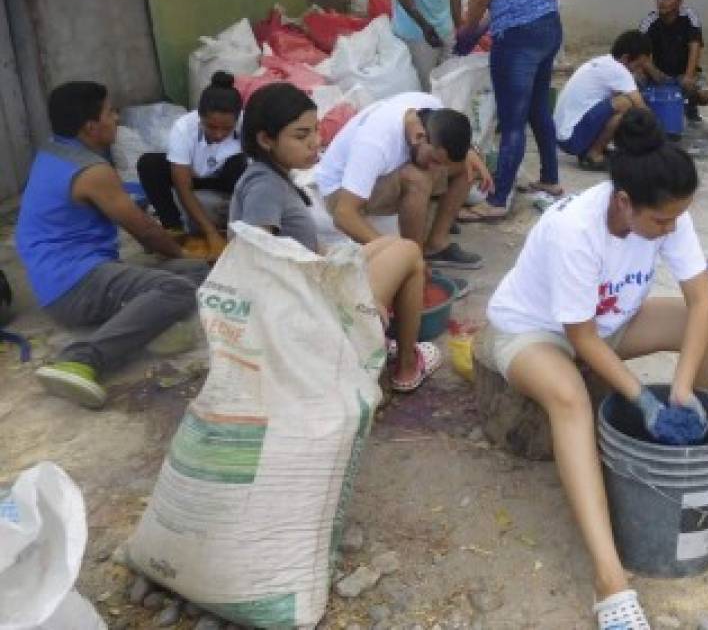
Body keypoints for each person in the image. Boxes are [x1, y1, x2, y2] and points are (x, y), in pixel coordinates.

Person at [477, 109, 708, 629]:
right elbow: (581, 338)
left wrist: (682, 391)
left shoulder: (667, 210)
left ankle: (672, 454)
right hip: (534, 331)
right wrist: (641, 398)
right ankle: (609, 579)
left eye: (677, 218)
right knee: (570, 398)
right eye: (662, 221)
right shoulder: (576, 230)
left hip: (608, 322)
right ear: (623, 203)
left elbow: (701, 302)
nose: (671, 228)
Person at [230, 83, 440, 391]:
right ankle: (406, 366)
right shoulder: (264, 188)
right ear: (265, 139)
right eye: (301, 136)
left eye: (315, 130)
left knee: (391, 246)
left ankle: (395, 348)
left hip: (310, 289)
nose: (316, 142)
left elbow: (295, 248)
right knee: (408, 251)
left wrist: (341, 263)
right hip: (301, 314)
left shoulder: (273, 177)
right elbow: (256, 263)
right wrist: (346, 291)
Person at [16, 81, 208, 409]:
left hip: (58, 278)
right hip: (74, 283)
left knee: (191, 272)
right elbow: (146, 233)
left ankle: (145, 322)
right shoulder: (93, 172)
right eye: (110, 112)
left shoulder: (53, 150)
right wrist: (180, 250)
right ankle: (81, 359)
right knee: (178, 288)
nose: (116, 117)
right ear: (91, 126)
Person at [460, 0, 562, 220]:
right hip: (549, 27)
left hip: (518, 38)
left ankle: (498, 200)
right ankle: (550, 179)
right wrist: (482, 28)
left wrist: (466, 31)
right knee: (538, 109)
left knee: (512, 120)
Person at [315, 91, 492, 269]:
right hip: (339, 190)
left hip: (384, 171)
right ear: (419, 137)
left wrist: (470, 153)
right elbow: (344, 214)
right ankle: (414, 261)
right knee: (418, 179)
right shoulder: (375, 142)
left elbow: (452, 140)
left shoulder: (432, 108)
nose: (436, 170)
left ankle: (436, 245)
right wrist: (397, 255)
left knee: (467, 165)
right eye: (434, 161)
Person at [136, 71, 246, 256]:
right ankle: (174, 228)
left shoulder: (247, 123)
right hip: (193, 175)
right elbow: (183, 186)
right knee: (149, 164)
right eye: (211, 127)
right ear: (199, 117)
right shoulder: (183, 127)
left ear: (237, 119)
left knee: (241, 164)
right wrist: (210, 233)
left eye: (227, 129)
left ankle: (237, 226)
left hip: (225, 178)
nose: (218, 135)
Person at [554, 30, 651, 171]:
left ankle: (592, 149)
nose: (639, 71)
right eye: (638, 66)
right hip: (571, 139)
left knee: (616, 103)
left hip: (563, 135)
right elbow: (642, 109)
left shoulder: (603, 61)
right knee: (625, 103)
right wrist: (660, 140)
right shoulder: (619, 70)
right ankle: (593, 155)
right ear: (625, 58)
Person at [640, 0, 708, 124]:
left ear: (679, 0)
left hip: (683, 73)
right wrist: (654, 73)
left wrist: (688, 76)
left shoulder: (689, 17)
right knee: (634, 79)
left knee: (706, 94)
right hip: (658, 75)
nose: (661, 1)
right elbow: (641, 54)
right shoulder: (649, 21)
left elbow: (695, 47)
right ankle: (647, 115)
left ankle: (690, 106)